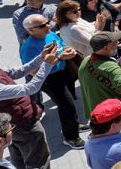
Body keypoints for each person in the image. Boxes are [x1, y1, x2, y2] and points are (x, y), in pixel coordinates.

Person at [0, 43, 64, 169]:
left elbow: (20, 71)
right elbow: (30, 88)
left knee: (19, 160)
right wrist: (47, 64)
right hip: (25, 127)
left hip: (12, 126)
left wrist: (41, 57)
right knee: (39, 162)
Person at [19, 14, 84, 149]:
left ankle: (74, 124)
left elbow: (63, 45)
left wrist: (69, 50)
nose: (48, 26)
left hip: (63, 73)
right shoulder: (28, 48)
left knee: (70, 102)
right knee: (67, 106)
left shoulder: (50, 34)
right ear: (30, 31)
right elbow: (33, 72)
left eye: (47, 23)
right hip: (49, 80)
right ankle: (71, 137)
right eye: (42, 26)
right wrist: (60, 58)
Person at [79, 30, 121, 120]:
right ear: (106, 47)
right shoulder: (109, 66)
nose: (118, 42)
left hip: (97, 112)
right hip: (114, 113)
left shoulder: (86, 60)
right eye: (114, 42)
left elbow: (104, 73)